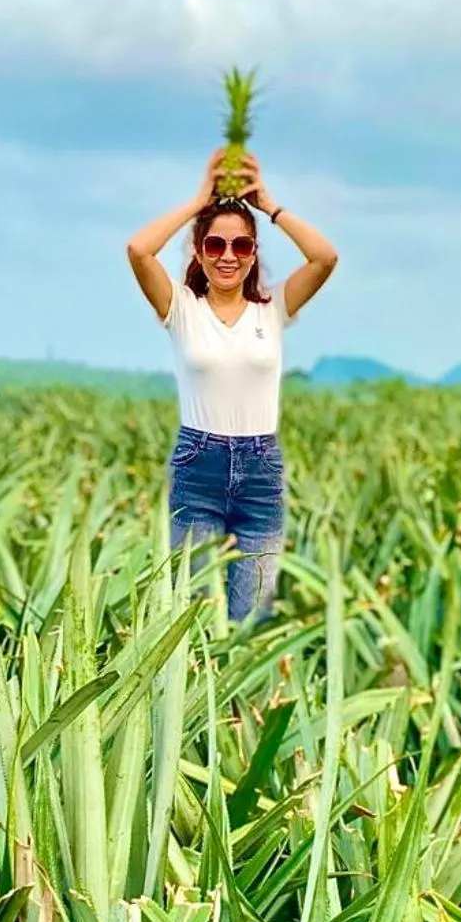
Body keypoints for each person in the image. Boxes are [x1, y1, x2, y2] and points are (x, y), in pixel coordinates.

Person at [126, 148, 338, 621]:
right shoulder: (181, 309)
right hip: (198, 466)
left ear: (253, 254)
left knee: (251, 617)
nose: (228, 257)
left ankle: (244, 700)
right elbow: (139, 250)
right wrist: (199, 202)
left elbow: (325, 257)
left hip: (260, 471)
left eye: (241, 246)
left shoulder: (274, 309)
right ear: (199, 252)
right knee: (194, 618)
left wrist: (270, 207)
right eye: (215, 246)